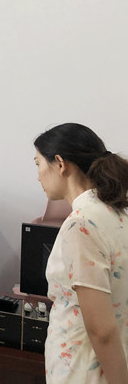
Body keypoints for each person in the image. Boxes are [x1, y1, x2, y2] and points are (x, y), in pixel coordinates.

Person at [33, 123, 128, 384]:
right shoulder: (118, 212)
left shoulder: (82, 223)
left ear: (60, 164)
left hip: (84, 370)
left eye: (38, 164)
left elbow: (101, 330)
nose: (38, 176)